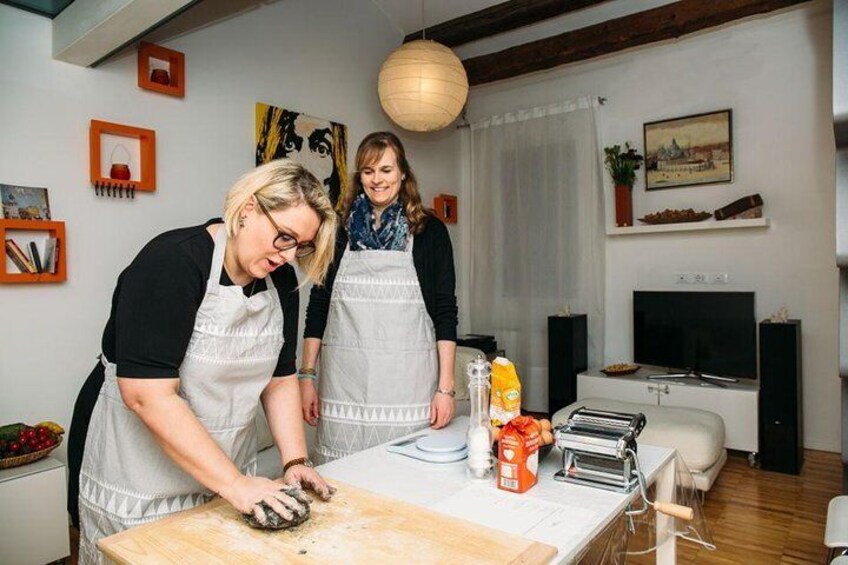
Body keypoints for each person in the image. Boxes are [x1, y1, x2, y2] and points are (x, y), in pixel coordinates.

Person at [67, 160, 337, 564]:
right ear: (248, 208)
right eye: (284, 237)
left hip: (225, 475)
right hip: (141, 472)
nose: (289, 254)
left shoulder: (279, 277)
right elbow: (146, 396)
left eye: (301, 245)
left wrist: (294, 460)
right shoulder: (172, 262)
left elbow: (279, 378)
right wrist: (238, 485)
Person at [299, 131, 458, 463]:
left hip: (408, 385)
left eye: (386, 170)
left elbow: (445, 312)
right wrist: (307, 375)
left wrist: (445, 389)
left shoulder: (429, 230)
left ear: (402, 173)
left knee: (405, 473)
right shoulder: (339, 229)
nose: (377, 179)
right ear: (360, 177)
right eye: (368, 171)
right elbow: (319, 306)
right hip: (346, 385)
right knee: (343, 478)